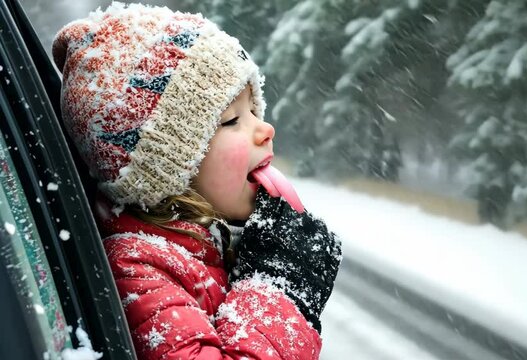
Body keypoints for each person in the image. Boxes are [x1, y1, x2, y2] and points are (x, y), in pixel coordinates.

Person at [51, 3, 342, 359]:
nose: (265, 129)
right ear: (167, 166)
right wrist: (278, 293)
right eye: (232, 120)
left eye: (254, 110)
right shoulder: (138, 271)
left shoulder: (211, 244)